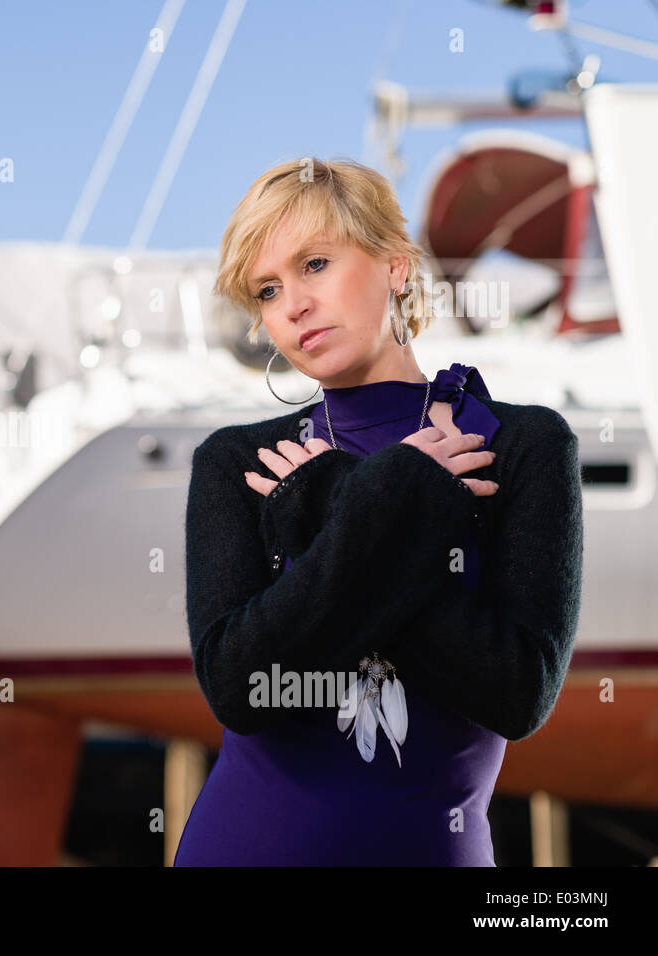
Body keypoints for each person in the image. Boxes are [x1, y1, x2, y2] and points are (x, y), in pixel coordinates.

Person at [174, 157, 584, 866]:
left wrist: (332, 502)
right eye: (268, 290)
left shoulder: (520, 445)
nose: (293, 304)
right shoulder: (239, 463)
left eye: (316, 264)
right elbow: (241, 688)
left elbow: (518, 693)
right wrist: (383, 505)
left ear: (396, 267)